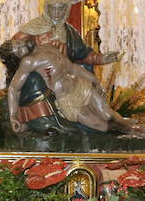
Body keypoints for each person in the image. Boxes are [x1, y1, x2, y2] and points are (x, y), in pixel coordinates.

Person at [2, 0, 121, 135]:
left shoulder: (69, 31)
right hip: (42, 78)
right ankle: (42, 124)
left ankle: (120, 129)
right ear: (46, 8)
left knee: (103, 114)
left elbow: (82, 54)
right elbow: (13, 51)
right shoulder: (32, 28)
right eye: (53, 8)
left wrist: (102, 59)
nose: (57, 13)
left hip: (70, 76)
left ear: (67, 10)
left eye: (61, 8)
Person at [8, 43, 136, 133]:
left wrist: (94, 80)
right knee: (99, 125)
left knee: (107, 113)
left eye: (18, 43)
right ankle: (128, 130)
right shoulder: (29, 62)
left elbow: (72, 68)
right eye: (18, 51)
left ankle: (133, 130)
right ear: (17, 58)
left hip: (80, 85)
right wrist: (13, 116)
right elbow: (14, 89)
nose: (22, 47)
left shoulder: (46, 48)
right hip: (67, 100)